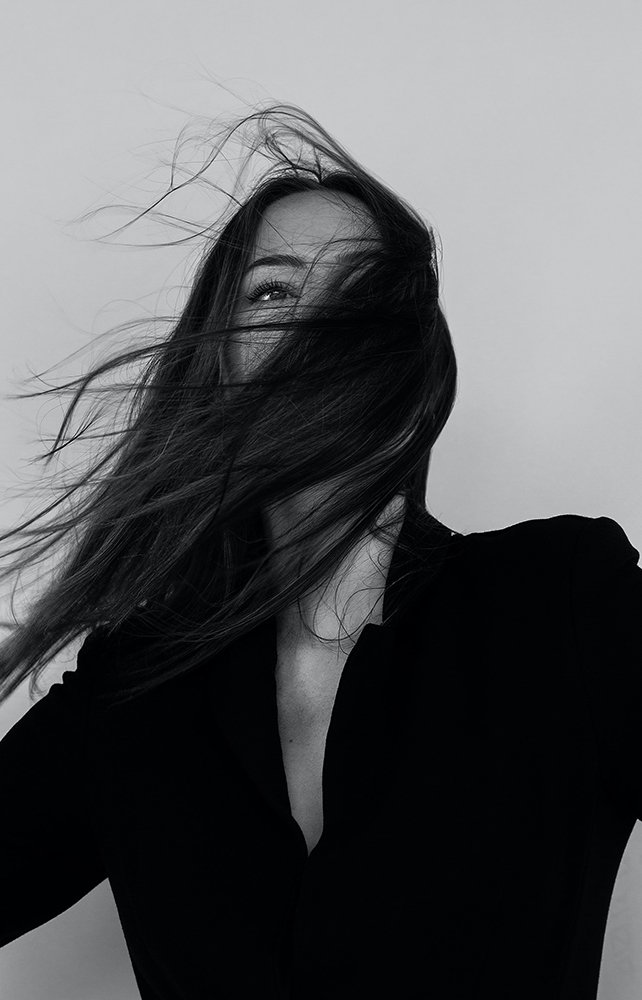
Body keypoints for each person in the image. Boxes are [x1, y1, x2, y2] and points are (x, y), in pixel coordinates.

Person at [0, 103, 640, 1000]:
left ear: (411, 359)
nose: (319, 325)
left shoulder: (561, 603)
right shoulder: (132, 681)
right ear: (217, 361)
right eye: (272, 292)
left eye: (361, 292)